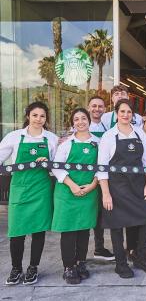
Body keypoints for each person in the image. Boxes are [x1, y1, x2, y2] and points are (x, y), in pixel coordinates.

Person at [0, 102, 58, 285]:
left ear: (46, 118)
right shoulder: (15, 136)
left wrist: (48, 163)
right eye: (35, 115)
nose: (38, 119)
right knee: (16, 231)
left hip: (41, 189)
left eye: (42, 116)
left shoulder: (52, 138)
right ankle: (16, 268)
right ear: (28, 116)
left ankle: (33, 267)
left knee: (38, 231)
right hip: (19, 188)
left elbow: (57, 164)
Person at [98, 99, 146, 278]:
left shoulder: (139, 133)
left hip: (139, 185)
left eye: (129, 112)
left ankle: (140, 257)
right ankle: (120, 264)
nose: (125, 115)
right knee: (117, 227)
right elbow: (102, 168)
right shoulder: (109, 136)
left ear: (133, 115)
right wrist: (106, 194)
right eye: (122, 111)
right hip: (117, 188)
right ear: (116, 113)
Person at [52, 108, 100, 284]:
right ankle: (69, 267)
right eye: (77, 119)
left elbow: (101, 167)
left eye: (83, 118)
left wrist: (93, 185)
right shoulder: (66, 144)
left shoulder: (98, 142)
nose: (81, 122)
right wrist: (72, 186)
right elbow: (57, 167)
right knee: (69, 231)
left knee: (84, 230)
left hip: (89, 191)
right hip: (67, 192)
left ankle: (81, 263)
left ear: (89, 120)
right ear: (73, 123)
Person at [125, 106, 146, 263]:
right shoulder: (135, 133)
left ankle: (142, 247)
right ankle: (131, 248)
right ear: (143, 117)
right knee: (132, 214)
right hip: (132, 179)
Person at [87, 96, 114, 261]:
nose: (97, 109)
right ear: (88, 108)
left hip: (104, 176)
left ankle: (99, 247)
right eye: (94, 106)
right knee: (88, 211)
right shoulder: (81, 125)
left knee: (101, 213)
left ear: (104, 109)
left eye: (100, 106)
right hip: (86, 176)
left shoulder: (107, 128)